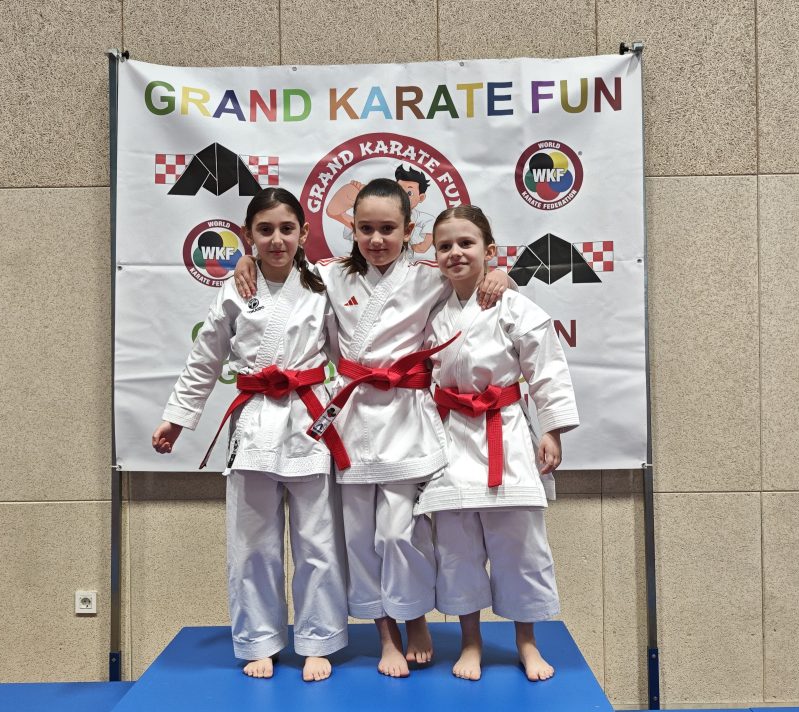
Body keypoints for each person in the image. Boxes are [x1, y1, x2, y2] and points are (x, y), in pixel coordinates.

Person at [234, 179, 510, 678]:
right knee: (359, 539)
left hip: (406, 417)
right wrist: (247, 261)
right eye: (365, 229)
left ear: (409, 230)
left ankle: (415, 617)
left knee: (401, 532)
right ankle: (386, 634)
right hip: (351, 419)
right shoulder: (330, 275)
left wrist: (501, 274)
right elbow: (283, 268)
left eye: (388, 229)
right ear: (352, 229)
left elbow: (470, 276)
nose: (376, 239)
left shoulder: (428, 276)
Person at [151, 188, 349, 682]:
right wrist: (177, 418)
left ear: (304, 232)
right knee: (253, 543)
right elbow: (206, 357)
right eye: (265, 230)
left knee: (318, 542)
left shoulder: (325, 282)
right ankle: (260, 639)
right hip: (255, 420)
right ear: (248, 235)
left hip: (310, 421)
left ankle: (318, 640)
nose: (277, 239)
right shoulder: (235, 289)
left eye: (287, 229)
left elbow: (347, 350)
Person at [417, 205, 580, 682]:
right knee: (457, 548)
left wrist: (551, 430)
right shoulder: (431, 306)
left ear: (489, 251)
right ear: (433, 254)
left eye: (466, 243)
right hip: (450, 434)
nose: (455, 252)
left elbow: (546, 368)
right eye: (444, 245)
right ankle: (471, 642)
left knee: (520, 547)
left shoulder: (514, 306)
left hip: (503, 431)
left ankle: (527, 642)